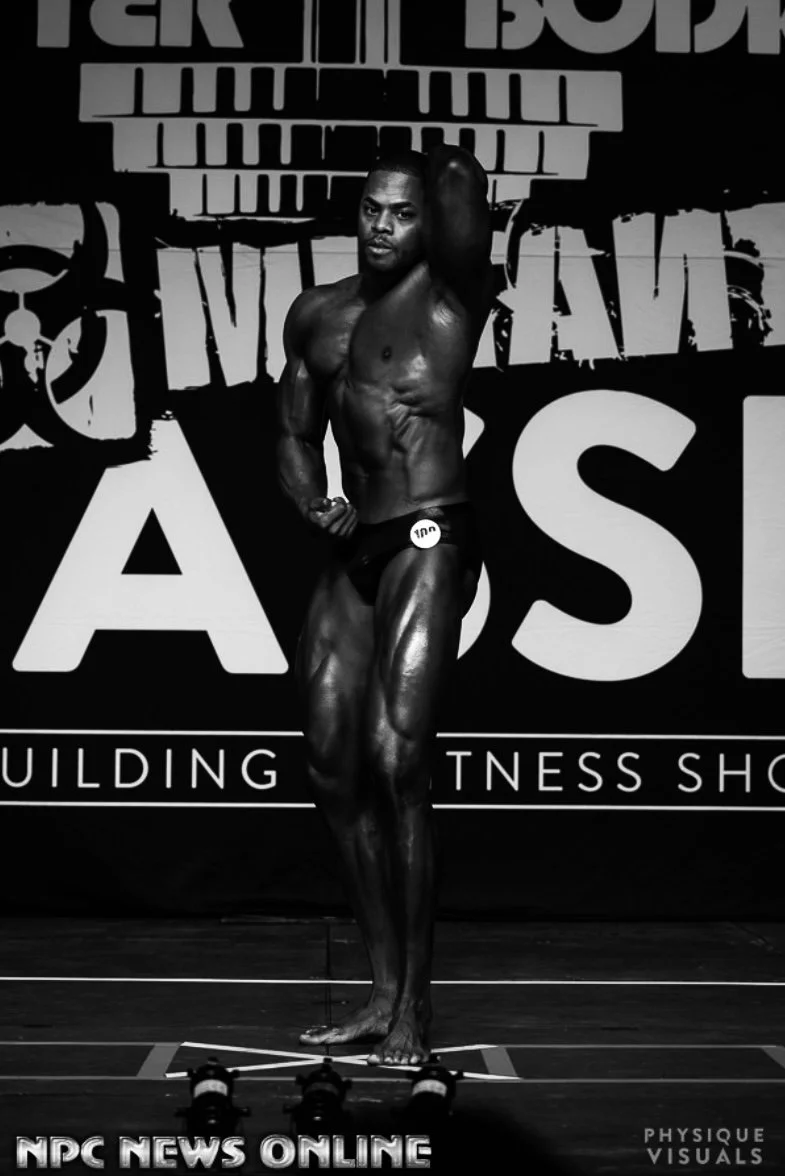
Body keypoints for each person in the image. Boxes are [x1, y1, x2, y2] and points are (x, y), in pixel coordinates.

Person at [276, 144, 493, 1065]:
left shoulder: (451, 298)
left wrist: (442, 170)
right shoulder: (317, 316)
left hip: (429, 534)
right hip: (355, 540)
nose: (380, 225)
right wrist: (307, 497)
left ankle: (416, 1009)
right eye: (371, 208)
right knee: (331, 762)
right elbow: (289, 433)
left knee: (397, 756)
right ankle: (379, 991)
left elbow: (461, 193)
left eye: (400, 213)